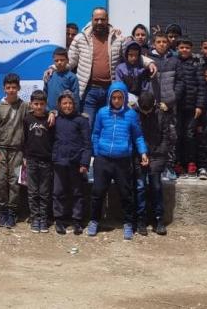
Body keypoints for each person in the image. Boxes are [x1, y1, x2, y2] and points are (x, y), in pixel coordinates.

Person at [68, 8, 154, 127]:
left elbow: (131, 54)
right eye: (96, 19)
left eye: (102, 19)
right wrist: (53, 68)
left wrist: (149, 63)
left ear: (107, 20)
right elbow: (70, 61)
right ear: (91, 20)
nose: (99, 22)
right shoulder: (80, 38)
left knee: (108, 125)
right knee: (88, 124)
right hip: (89, 91)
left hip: (111, 90)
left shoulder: (117, 38)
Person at [87, 81, 148, 240]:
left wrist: (143, 152)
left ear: (125, 98)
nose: (116, 100)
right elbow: (95, 133)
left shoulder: (131, 115)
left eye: (120, 97)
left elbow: (138, 136)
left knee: (126, 193)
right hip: (103, 159)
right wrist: (96, 152)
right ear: (109, 97)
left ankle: (128, 223)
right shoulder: (102, 113)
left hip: (122, 161)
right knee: (97, 192)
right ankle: (94, 221)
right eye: (113, 97)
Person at [0, 73, 29, 229]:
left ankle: (12, 211)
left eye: (14, 87)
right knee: (0, 181)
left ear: (19, 88)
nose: (11, 90)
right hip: (2, 150)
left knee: (14, 181)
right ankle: (3, 210)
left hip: (18, 150)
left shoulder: (24, 106)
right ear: (4, 89)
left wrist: (52, 113)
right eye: (8, 87)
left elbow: (37, 115)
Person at [134, 91, 174, 236]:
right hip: (139, 155)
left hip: (156, 155)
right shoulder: (134, 114)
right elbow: (132, 136)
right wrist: (140, 154)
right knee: (140, 187)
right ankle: (141, 219)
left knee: (156, 186)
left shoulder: (161, 115)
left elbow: (166, 137)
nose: (145, 113)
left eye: (148, 111)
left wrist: (158, 154)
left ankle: (158, 219)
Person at [51, 90, 91, 236]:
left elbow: (87, 144)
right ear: (59, 105)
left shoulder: (81, 120)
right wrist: (52, 113)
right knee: (58, 192)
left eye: (70, 103)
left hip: (76, 163)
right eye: (64, 103)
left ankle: (77, 221)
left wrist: (84, 163)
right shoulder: (55, 120)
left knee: (77, 193)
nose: (67, 106)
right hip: (59, 162)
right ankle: (59, 220)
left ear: (74, 104)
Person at [147, 31, 179, 181]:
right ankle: (152, 168)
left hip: (169, 106)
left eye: (164, 42)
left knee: (171, 136)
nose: (161, 44)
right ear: (154, 44)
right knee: (152, 136)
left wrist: (171, 100)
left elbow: (180, 83)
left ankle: (169, 167)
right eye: (158, 42)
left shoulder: (174, 60)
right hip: (152, 106)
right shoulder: (147, 59)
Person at [22, 90, 54, 234]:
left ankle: (43, 218)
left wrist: (53, 112)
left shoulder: (50, 119)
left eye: (41, 104)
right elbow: (24, 139)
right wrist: (24, 156)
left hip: (46, 161)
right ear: (31, 104)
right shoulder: (27, 119)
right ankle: (35, 218)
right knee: (33, 191)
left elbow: (53, 139)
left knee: (44, 192)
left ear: (46, 104)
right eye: (36, 104)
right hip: (31, 160)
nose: (39, 107)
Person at [174, 37, 205, 178]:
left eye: (187, 47)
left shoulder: (196, 64)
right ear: (177, 49)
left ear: (191, 49)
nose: (184, 50)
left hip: (192, 107)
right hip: (177, 106)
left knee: (190, 135)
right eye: (181, 47)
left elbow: (201, 86)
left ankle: (191, 162)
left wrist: (199, 105)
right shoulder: (174, 62)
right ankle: (178, 162)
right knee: (178, 135)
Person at [44, 47, 79, 113]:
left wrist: (74, 113)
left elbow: (75, 98)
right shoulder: (49, 76)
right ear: (53, 61)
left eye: (62, 60)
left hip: (65, 113)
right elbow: (45, 93)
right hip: (50, 113)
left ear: (67, 60)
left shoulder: (72, 77)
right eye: (56, 60)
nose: (59, 62)